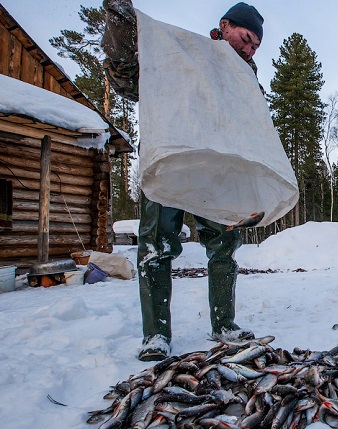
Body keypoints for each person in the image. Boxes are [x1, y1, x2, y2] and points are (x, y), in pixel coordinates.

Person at [101, 1, 264, 361]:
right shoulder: (183, 51)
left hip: (216, 169)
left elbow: (254, 130)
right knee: (157, 241)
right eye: (247, 38)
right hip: (171, 158)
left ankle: (224, 324)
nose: (249, 49)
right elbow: (129, 78)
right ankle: (156, 334)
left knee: (224, 244)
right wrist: (119, 24)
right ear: (225, 25)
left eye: (255, 47)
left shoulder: (245, 76)